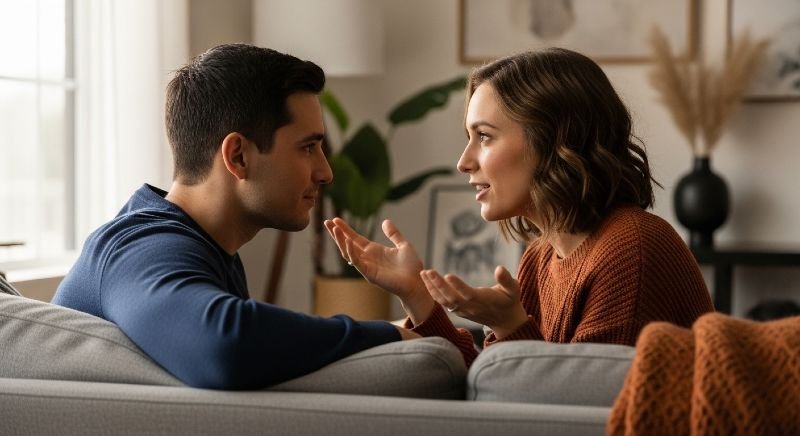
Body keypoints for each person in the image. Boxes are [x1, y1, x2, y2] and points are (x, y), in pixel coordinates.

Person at [52, 44, 418, 390]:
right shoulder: (141, 246)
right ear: (239, 156)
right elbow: (224, 344)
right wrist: (386, 335)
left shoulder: (202, 248)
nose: (325, 172)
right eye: (308, 147)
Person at [325, 48, 714, 366]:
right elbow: (483, 379)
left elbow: (583, 409)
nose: (464, 161)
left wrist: (511, 325)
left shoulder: (631, 249)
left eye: (485, 137)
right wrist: (416, 294)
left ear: (553, 140)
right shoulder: (542, 256)